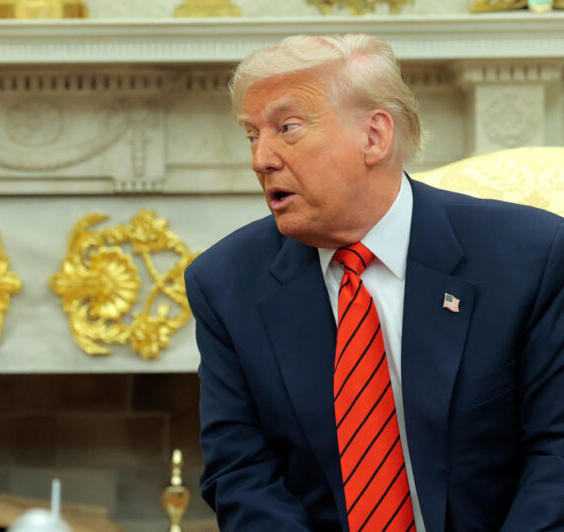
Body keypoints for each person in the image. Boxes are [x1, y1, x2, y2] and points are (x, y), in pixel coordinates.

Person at [186, 33, 564, 531]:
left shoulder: (529, 256)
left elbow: (555, 454)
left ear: (374, 136)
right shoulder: (226, 283)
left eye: (287, 127)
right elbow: (243, 474)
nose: (262, 160)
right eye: (253, 135)